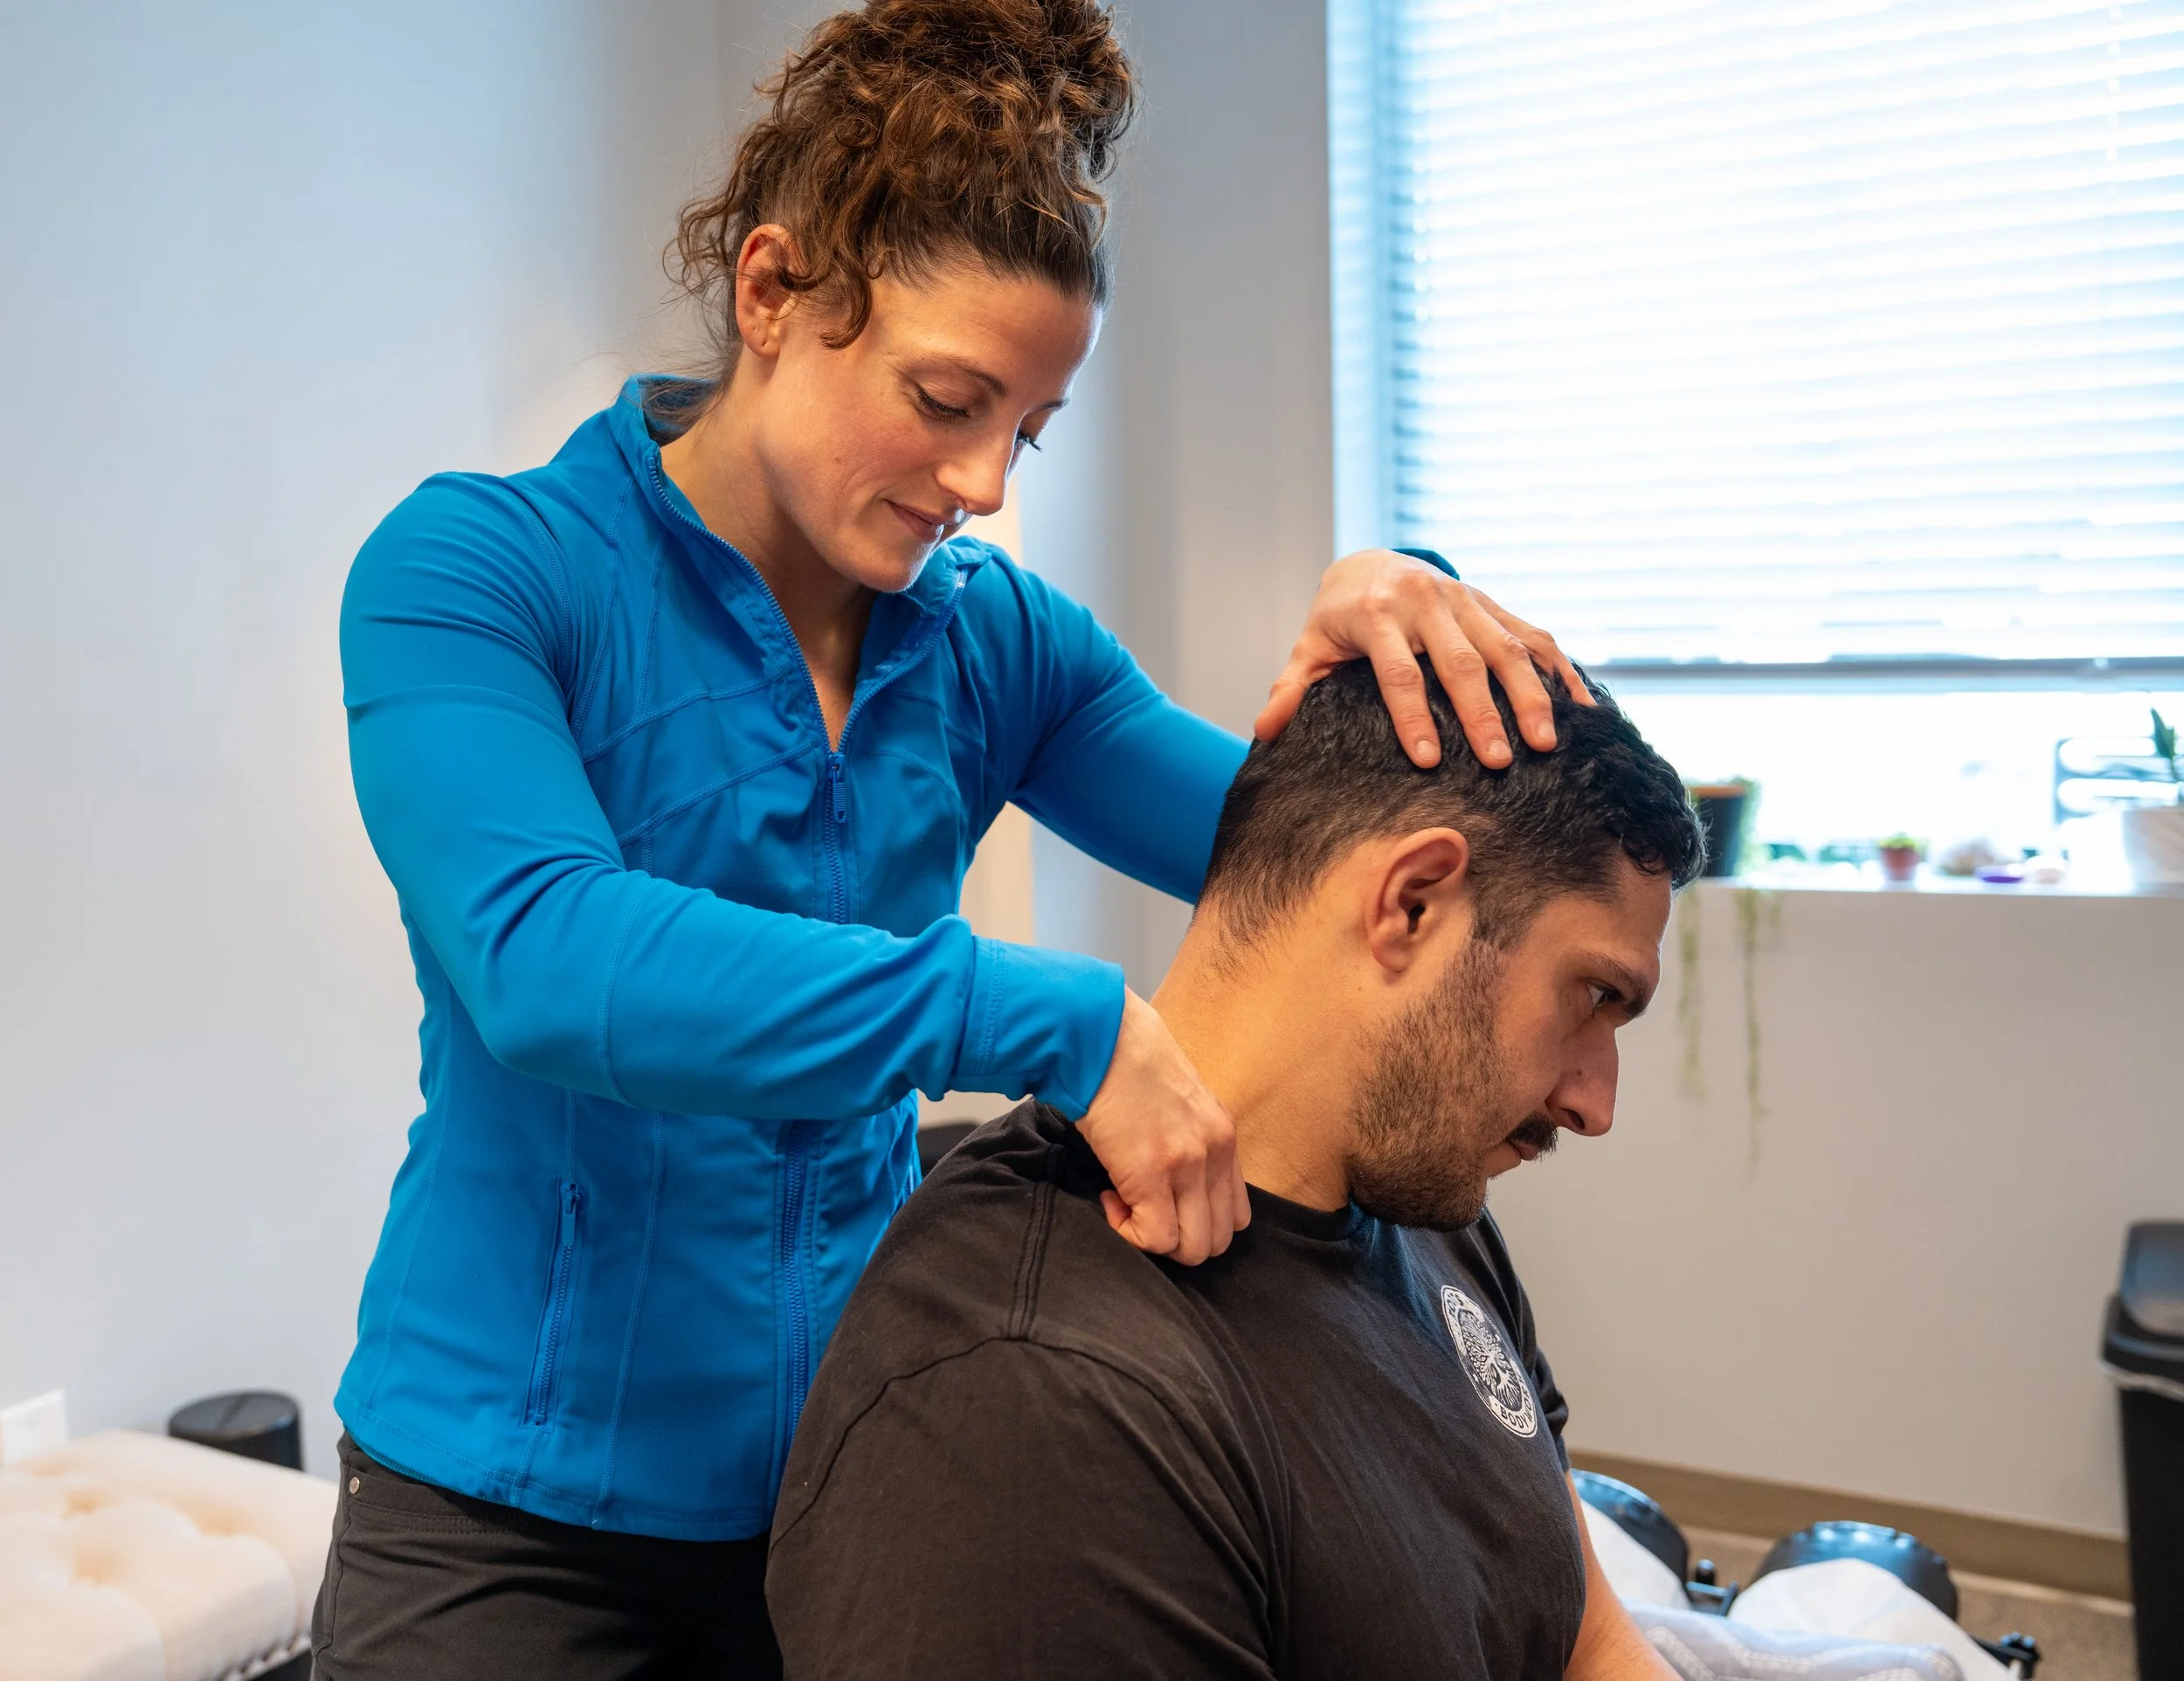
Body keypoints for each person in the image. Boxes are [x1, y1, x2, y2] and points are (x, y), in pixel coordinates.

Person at [309, 2, 1593, 1676]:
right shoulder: (481, 572)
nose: (986, 481)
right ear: (773, 293)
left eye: (1028, 430)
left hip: (847, 1479)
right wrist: (1048, 1018)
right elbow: (549, 959)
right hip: (507, 1518)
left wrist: (1369, 619)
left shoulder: (990, 643)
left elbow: (1302, 867)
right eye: (946, 398)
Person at [765, 660, 1705, 1679]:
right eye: (1592, 997)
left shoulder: (1429, 1205)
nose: (1593, 1103)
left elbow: (1586, 1634)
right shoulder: (1039, 1400)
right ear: (1413, 903)